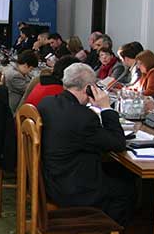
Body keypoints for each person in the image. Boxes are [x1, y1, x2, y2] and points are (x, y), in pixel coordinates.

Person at [37, 63, 136, 225]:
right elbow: (118, 143)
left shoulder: (46, 103)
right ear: (89, 88)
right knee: (126, 189)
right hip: (72, 188)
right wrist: (106, 108)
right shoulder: (84, 117)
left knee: (117, 172)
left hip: (50, 179)